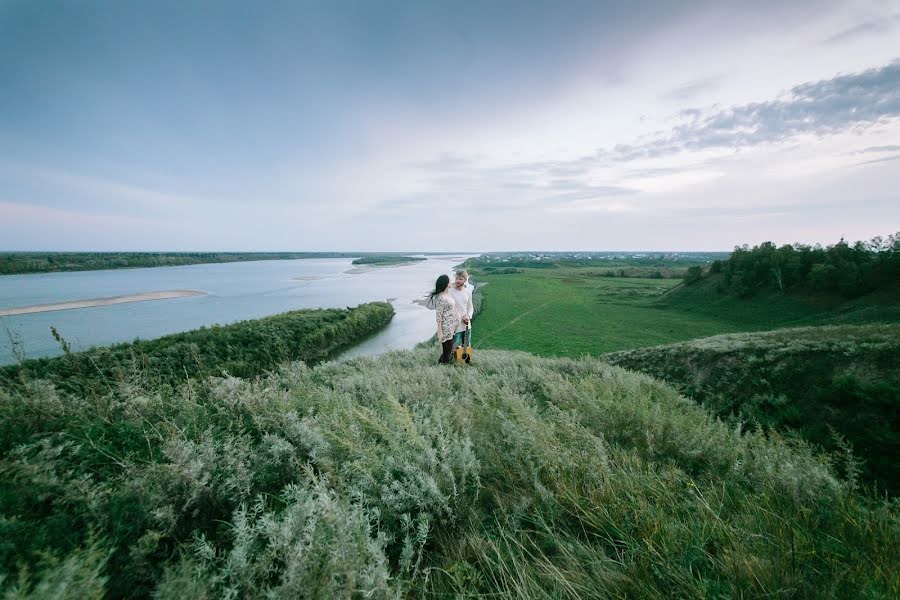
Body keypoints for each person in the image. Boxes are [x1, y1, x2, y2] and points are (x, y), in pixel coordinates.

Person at [429, 274, 460, 364]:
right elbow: (439, 315)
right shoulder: (440, 297)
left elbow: (453, 285)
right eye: (449, 281)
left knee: (449, 349)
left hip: (452, 327)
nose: (451, 282)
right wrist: (439, 331)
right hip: (446, 327)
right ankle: (442, 366)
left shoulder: (447, 293)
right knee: (447, 350)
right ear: (446, 284)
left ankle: (442, 365)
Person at [448, 270, 474, 350]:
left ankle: (466, 362)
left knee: (467, 347)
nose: (457, 281)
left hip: (466, 325)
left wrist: (468, 316)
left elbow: (470, 307)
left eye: (460, 279)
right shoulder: (450, 291)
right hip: (455, 326)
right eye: (456, 278)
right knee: (453, 347)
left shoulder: (468, 292)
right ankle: (451, 362)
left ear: (465, 280)